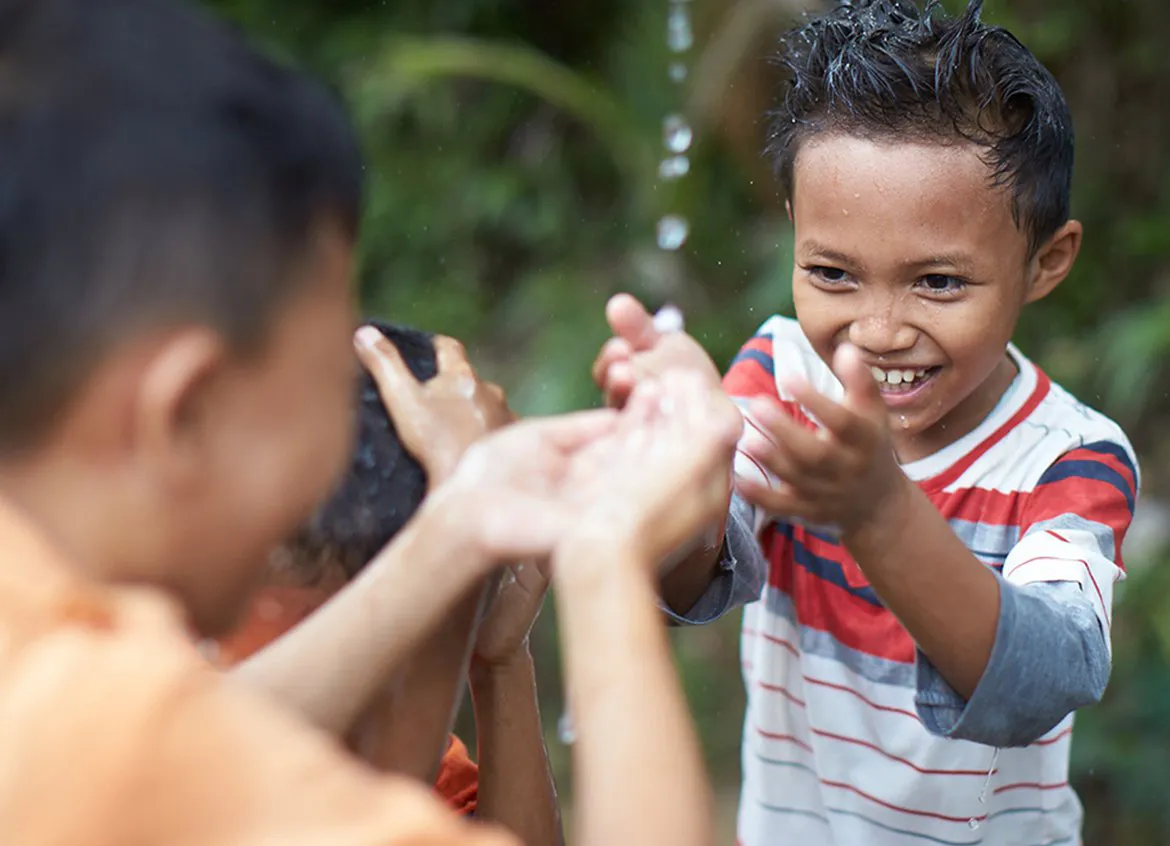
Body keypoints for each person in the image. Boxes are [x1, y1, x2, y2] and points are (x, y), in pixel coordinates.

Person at [0, 0, 739, 843]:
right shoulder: (134, 752)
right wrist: (605, 561)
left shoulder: (49, 665)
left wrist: (458, 528)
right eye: (324, 377)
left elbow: (206, 731)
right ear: (184, 412)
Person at [592, 1, 1138, 843]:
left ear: (1045, 261)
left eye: (939, 283)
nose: (878, 330)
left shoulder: (1068, 459)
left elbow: (1041, 684)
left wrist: (878, 511)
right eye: (834, 273)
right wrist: (681, 458)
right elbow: (686, 580)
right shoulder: (780, 376)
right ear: (795, 237)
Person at [218, 322, 561, 845]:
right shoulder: (125, 677)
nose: (354, 677)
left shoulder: (420, 716)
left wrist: (501, 663)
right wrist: (458, 522)